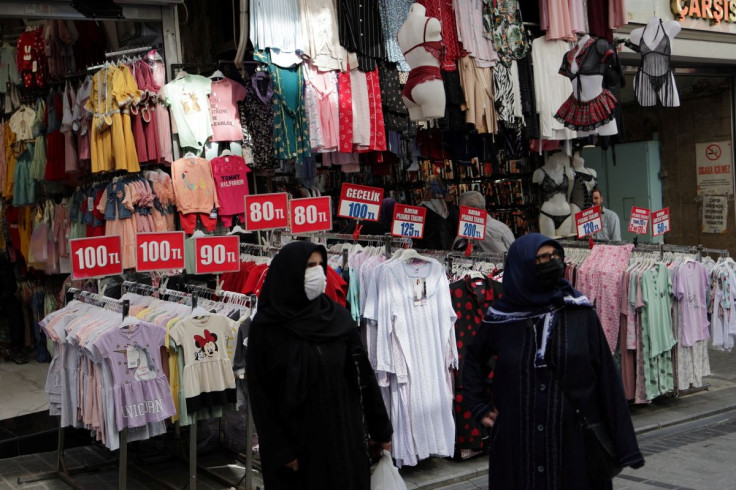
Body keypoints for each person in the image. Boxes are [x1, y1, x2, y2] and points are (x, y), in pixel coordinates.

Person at [462, 234, 644, 489]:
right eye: (542, 258)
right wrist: (479, 405)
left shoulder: (579, 312)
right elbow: (472, 359)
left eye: (555, 256)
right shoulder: (500, 318)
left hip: (574, 445)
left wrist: (625, 444)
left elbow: (607, 378)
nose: (552, 263)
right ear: (521, 265)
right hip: (517, 445)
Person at [246, 241, 392, 489]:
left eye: (320, 266)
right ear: (289, 272)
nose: (318, 273)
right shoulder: (266, 329)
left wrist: (381, 431)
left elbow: (363, 376)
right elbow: (261, 396)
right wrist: (281, 450)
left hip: (345, 440)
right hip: (298, 453)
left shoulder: (338, 317)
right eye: (309, 266)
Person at [413, 175, 457, 250]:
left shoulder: (420, 210)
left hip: (427, 252)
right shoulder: (451, 208)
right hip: (448, 251)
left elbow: (416, 235)